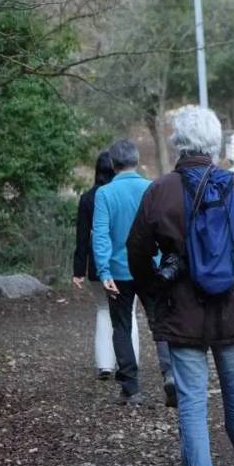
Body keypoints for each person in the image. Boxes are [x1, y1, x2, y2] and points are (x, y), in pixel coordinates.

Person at [127, 106, 234, 466]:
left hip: (181, 314)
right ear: (214, 143)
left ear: (178, 143)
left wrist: (156, 290)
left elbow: (135, 252)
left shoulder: (159, 191)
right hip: (231, 310)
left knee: (192, 405)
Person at [92, 140, 159, 405]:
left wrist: (104, 270)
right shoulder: (151, 188)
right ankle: (170, 376)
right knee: (159, 322)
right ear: (137, 159)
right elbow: (161, 228)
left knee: (121, 326)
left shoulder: (105, 194)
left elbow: (101, 236)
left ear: (113, 163)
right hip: (149, 267)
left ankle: (131, 388)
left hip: (119, 271)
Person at [73, 151, 139, 380]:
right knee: (128, 313)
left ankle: (104, 365)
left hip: (96, 266)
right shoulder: (123, 193)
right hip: (125, 264)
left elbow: (82, 238)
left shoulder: (88, 198)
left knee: (103, 311)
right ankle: (130, 362)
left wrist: (78, 271)